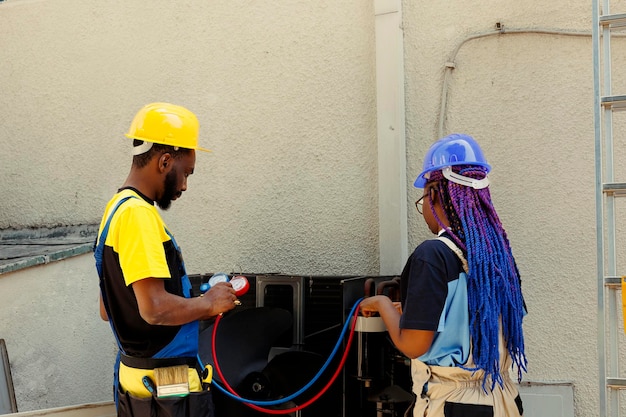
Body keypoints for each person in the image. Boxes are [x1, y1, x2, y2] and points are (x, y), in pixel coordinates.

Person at [359, 133, 527, 417]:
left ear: (434, 194)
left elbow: (413, 345)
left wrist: (382, 304)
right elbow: (462, 315)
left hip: (454, 405)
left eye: (423, 197)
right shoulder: (495, 257)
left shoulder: (433, 255)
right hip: (503, 400)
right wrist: (409, 311)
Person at [94, 102, 238, 417]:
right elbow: (155, 309)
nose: (185, 185)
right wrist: (209, 303)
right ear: (164, 161)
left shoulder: (116, 209)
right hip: (166, 381)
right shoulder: (139, 216)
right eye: (185, 172)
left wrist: (192, 306)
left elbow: (108, 309)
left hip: (135, 377)